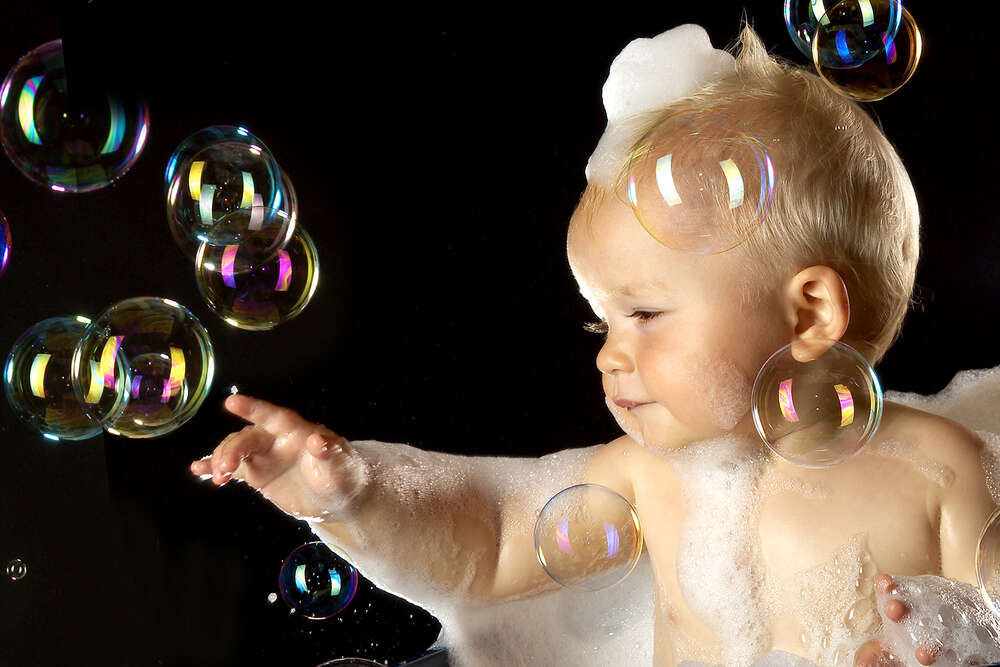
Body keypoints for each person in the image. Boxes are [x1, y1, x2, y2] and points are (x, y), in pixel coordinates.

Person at [190, 23, 999, 666]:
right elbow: (490, 541)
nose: (610, 354)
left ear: (809, 312)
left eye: (644, 313)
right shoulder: (649, 478)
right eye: (599, 322)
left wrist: (965, 644)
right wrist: (353, 492)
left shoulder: (943, 470)